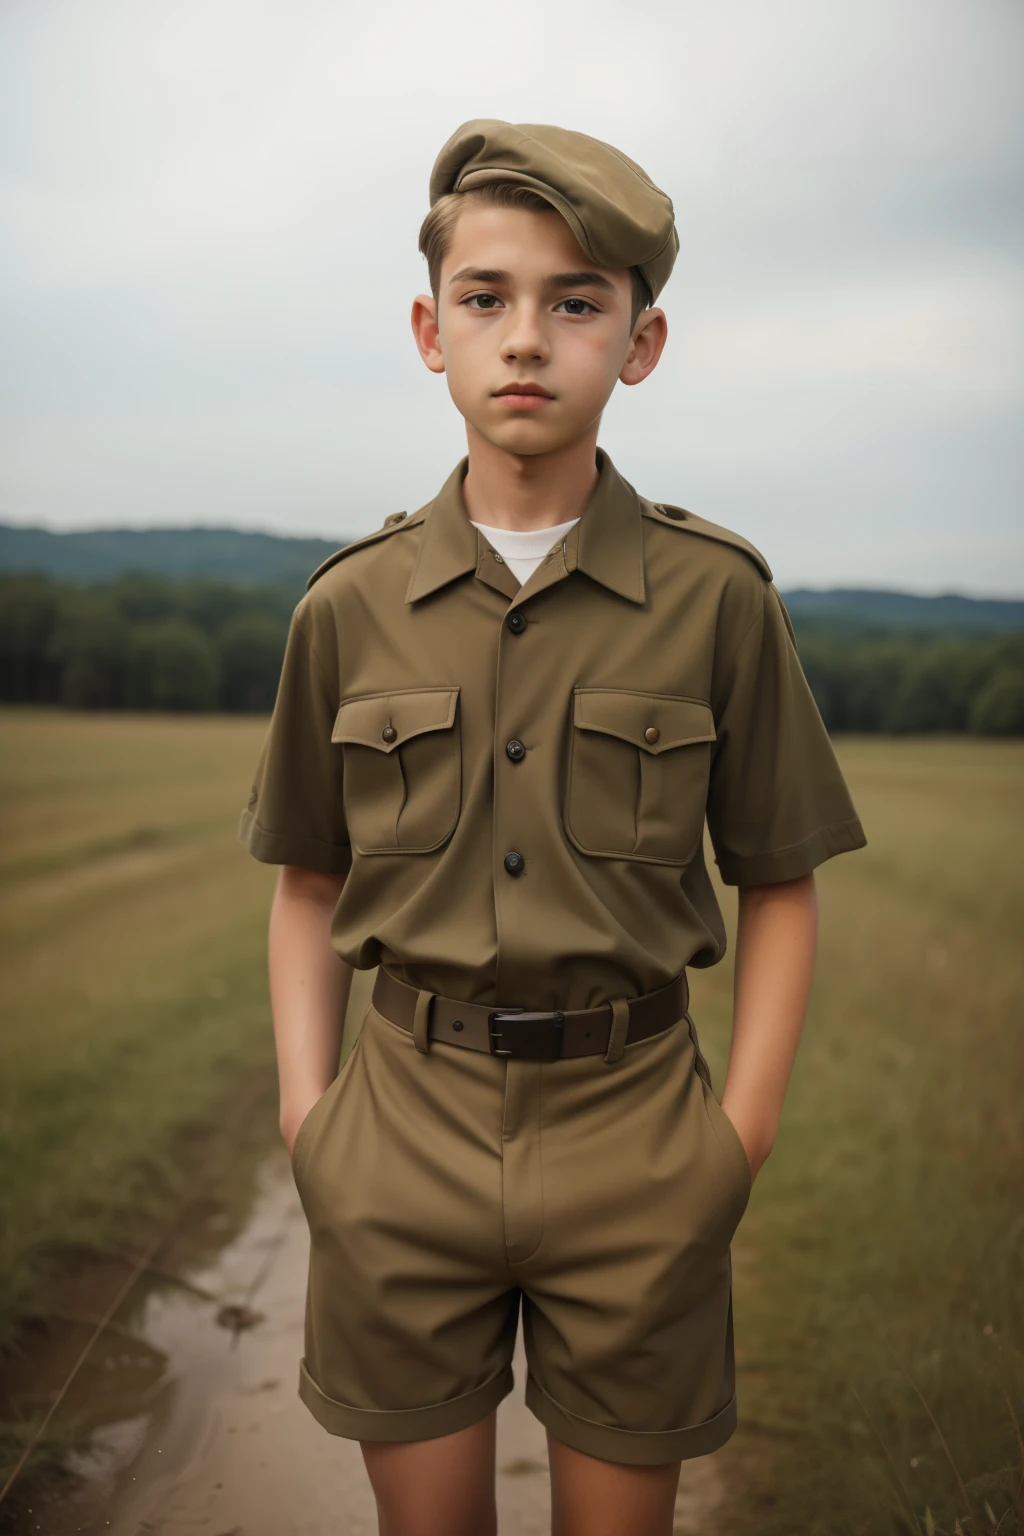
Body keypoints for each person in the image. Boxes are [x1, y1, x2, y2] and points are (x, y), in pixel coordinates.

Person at [239, 118, 867, 1536]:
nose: (527, 338)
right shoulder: (346, 609)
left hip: (639, 1130)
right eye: (488, 298)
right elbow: (306, 880)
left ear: (639, 343)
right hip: (400, 1123)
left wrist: (737, 1140)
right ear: (429, 329)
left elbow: (778, 884)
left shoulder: (720, 602)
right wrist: (308, 1117)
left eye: (577, 301)